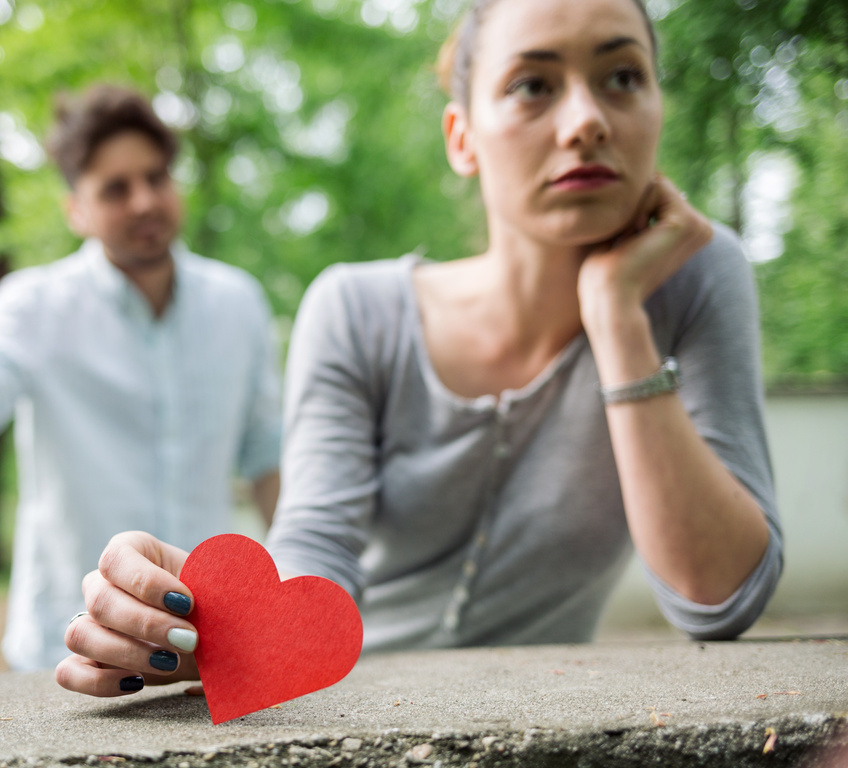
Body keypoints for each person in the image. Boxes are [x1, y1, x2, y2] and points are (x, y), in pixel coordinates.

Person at [54, 0, 783, 697]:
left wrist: (619, 318)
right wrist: (210, 630)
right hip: (340, 707)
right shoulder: (356, 311)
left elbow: (718, 600)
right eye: (533, 85)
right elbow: (317, 547)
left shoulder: (695, 278)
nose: (587, 121)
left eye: (622, 77)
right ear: (461, 137)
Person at [0, 85, 283, 672]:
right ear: (75, 209)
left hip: (207, 643)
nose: (143, 201)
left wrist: (293, 603)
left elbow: (268, 460)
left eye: (156, 177)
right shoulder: (33, 306)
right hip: (68, 648)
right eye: (115, 188)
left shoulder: (239, 304)